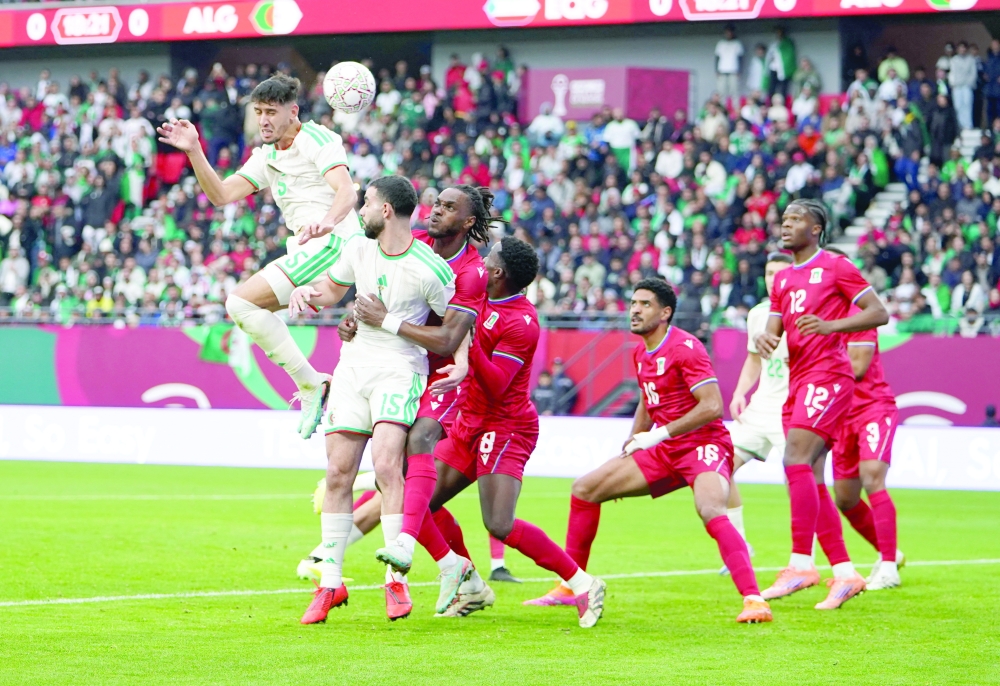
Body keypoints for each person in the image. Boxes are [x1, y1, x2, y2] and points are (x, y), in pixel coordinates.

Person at [381, 237, 607, 626]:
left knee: (499, 523)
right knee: (420, 505)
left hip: (507, 426)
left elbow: (499, 382)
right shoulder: (478, 296)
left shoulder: (522, 323)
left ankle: (582, 582)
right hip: (471, 420)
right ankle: (467, 580)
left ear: (498, 273)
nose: (481, 263)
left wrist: (468, 348)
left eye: (488, 260)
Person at [525, 277, 772, 624]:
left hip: (703, 445)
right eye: (633, 304)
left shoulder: (686, 348)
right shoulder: (641, 351)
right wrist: (634, 439)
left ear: (665, 312)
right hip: (662, 450)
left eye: (645, 304)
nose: (635, 310)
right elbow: (647, 397)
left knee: (710, 508)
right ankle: (571, 585)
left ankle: (754, 600)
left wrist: (657, 436)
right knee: (585, 489)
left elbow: (713, 405)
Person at [287, 176, 456, 624]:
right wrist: (307, 294)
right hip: (352, 368)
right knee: (338, 472)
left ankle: (395, 583)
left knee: (385, 465)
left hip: (399, 369)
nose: (360, 210)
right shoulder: (358, 249)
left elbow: (451, 332)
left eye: (366, 203)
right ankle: (330, 584)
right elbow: (330, 291)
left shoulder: (431, 268)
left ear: (386, 211)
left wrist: (455, 360)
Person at [156, 74, 360, 439]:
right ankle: (332, 393)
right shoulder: (265, 157)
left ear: (292, 111)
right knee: (249, 309)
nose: (263, 120)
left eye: (271, 112)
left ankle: (313, 384)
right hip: (312, 253)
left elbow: (346, 191)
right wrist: (194, 150)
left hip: (335, 243)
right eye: (258, 112)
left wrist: (328, 223)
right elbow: (220, 195)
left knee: (240, 302)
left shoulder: (317, 139)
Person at [754, 199, 889, 610]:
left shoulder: (836, 266)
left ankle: (800, 563)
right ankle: (845, 573)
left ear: (816, 229)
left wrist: (832, 326)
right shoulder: (783, 280)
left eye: (796, 220)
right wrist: (765, 337)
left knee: (794, 458)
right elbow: (776, 328)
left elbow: (878, 312)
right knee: (810, 475)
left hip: (829, 376)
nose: (786, 225)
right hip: (799, 380)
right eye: (784, 219)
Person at [725, 253, 793, 573]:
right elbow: (754, 359)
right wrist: (740, 392)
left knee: (801, 483)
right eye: (769, 272)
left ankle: (805, 561)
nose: (773, 279)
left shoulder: (806, 313)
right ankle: (740, 545)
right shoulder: (757, 314)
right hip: (760, 408)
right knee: (717, 469)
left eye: (780, 273)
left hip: (793, 411)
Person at [831, 306, 905, 591]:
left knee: (873, 476)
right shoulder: (814, 313)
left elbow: (859, 368)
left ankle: (888, 568)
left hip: (872, 407)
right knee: (845, 498)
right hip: (840, 415)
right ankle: (891, 552)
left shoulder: (858, 314)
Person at [950, 42, 978, 130]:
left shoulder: (971, 60)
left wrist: (968, 83)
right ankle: (959, 127)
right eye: (960, 48)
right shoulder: (953, 60)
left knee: (967, 106)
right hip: (957, 87)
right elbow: (952, 74)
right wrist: (954, 84)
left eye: (964, 48)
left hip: (967, 86)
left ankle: (968, 126)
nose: (962, 50)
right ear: (958, 49)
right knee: (958, 106)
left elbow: (973, 74)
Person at [715, 25, 744, 109]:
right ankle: (722, 109)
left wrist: (740, 70)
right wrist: (716, 70)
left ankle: (736, 109)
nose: (729, 34)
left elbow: (740, 58)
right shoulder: (721, 43)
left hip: (733, 70)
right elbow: (717, 57)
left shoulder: (737, 43)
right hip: (722, 70)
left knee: (734, 91)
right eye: (727, 32)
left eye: (730, 32)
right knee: (721, 92)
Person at [764, 27, 796, 100]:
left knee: (783, 89)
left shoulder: (787, 43)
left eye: (780, 32)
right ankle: (771, 105)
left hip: (783, 70)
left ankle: (782, 105)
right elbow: (769, 55)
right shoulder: (774, 43)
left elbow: (788, 55)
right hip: (773, 69)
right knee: (771, 88)